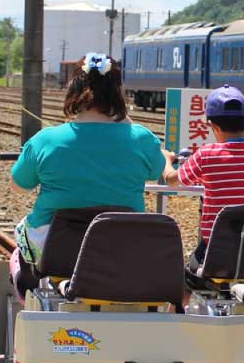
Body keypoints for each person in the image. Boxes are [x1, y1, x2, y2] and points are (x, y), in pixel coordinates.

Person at [9, 54, 165, 278]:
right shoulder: (141, 139)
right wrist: (123, 116)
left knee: (18, 251)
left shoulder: (46, 139)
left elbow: (19, 185)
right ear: (118, 93)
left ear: (73, 90)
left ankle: (28, 297)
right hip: (122, 250)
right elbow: (155, 171)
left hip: (56, 250)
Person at [161, 85, 244, 265]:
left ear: (212, 126)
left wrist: (166, 160)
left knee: (186, 277)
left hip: (214, 251)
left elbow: (173, 180)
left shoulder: (206, 154)